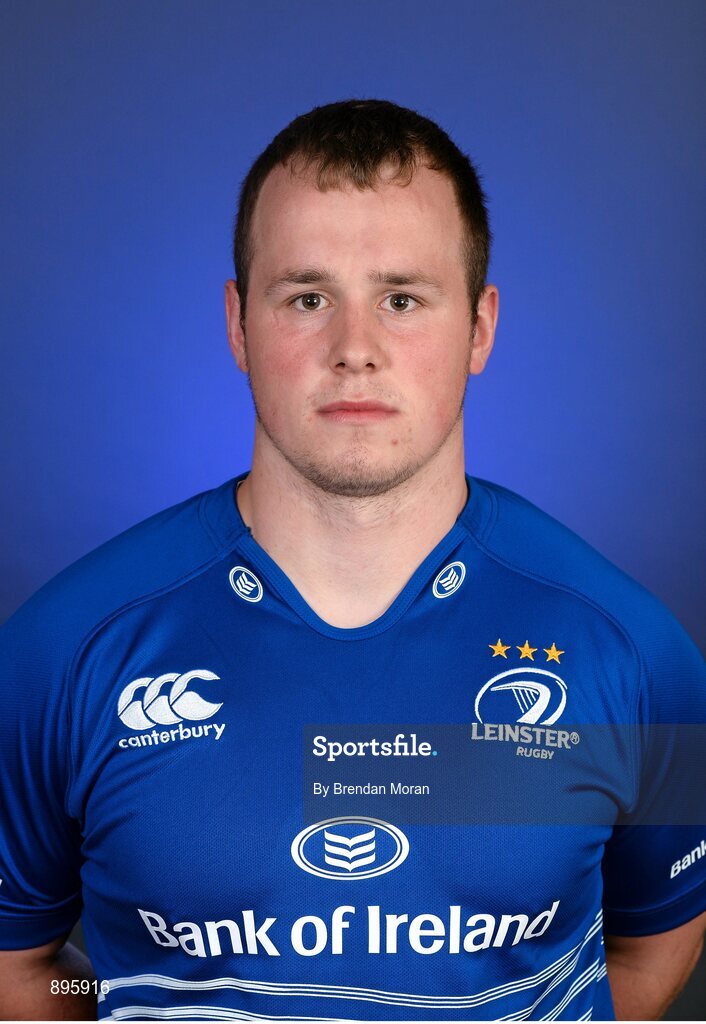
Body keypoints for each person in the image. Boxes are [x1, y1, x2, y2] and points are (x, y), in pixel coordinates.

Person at [0, 98, 704, 1023]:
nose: (355, 351)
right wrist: (128, 1002)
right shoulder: (58, 654)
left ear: (481, 328)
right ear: (237, 324)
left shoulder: (640, 655)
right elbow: (25, 964)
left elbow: (656, 936)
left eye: (402, 299)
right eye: (307, 298)